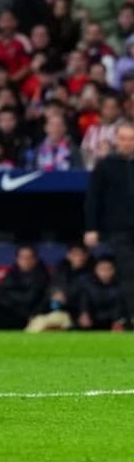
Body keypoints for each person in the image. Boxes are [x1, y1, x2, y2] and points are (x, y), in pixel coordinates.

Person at [84, 122, 134, 319]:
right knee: (128, 272)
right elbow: (93, 199)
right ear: (116, 140)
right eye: (123, 139)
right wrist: (91, 228)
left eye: (131, 139)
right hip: (118, 229)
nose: (127, 143)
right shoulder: (105, 165)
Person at [0, 245, 50, 331]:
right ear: (17, 259)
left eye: (28, 257)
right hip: (11, 311)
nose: (25, 261)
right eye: (22, 257)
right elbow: (0, 291)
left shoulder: (41, 275)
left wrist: (9, 296)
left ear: (35, 259)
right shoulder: (13, 273)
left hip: (27, 316)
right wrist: (11, 297)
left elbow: (29, 298)